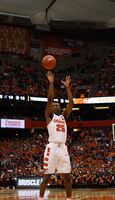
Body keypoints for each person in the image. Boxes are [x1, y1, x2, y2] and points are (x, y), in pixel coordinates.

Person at [39, 71, 74, 200]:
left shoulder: (63, 116)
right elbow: (49, 100)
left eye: (56, 105)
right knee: (47, 176)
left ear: (59, 108)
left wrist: (68, 89)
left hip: (63, 148)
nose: (54, 106)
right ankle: (41, 198)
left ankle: (69, 198)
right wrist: (51, 84)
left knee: (67, 176)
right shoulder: (49, 117)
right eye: (53, 105)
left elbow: (71, 104)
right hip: (52, 147)